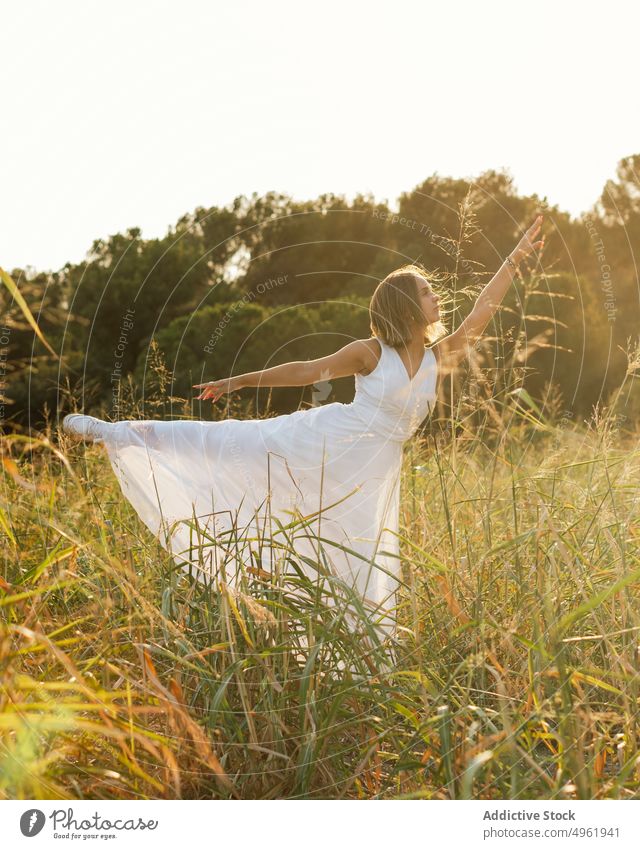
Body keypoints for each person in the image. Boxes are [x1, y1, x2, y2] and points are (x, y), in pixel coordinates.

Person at [62, 215, 544, 643]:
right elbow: (305, 370)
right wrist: (238, 380)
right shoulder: (372, 352)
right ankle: (117, 433)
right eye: (426, 291)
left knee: (357, 561)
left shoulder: (440, 354)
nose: (436, 296)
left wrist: (513, 260)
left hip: (372, 474)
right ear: (404, 305)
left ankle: (355, 658)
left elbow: (482, 311)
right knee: (235, 444)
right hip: (327, 442)